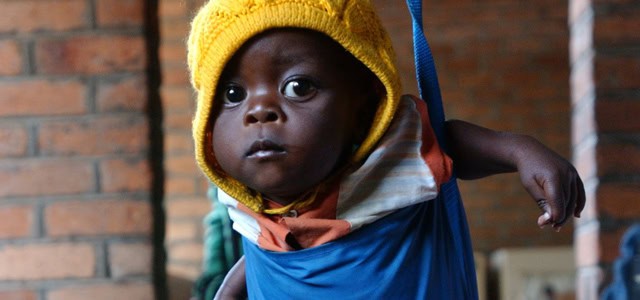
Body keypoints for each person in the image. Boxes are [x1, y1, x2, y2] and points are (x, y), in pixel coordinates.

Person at [186, 0, 585, 298]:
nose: (259, 111)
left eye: (298, 87)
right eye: (233, 94)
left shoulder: (391, 162)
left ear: (363, 108)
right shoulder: (243, 205)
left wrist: (520, 150)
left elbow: (446, 143)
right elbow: (264, 250)